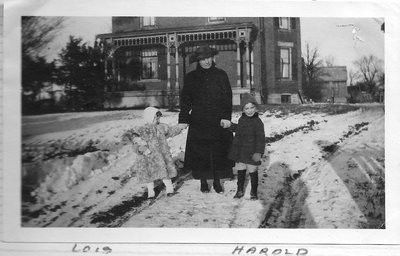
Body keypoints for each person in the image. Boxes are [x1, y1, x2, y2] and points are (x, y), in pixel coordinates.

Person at [178, 45, 234, 194]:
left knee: (217, 152)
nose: (207, 62)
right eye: (203, 59)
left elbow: (227, 98)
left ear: (213, 58)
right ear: (198, 60)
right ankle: (203, 181)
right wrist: (184, 118)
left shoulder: (221, 75)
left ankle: (216, 181)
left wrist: (226, 118)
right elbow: (185, 100)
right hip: (199, 121)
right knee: (201, 153)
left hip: (217, 120)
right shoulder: (191, 77)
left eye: (209, 58)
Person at [122, 107, 182, 198]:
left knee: (165, 172)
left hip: (162, 155)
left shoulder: (161, 127)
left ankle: (169, 188)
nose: (157, 120)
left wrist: (181, 127)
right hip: (148, 156)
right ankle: (151, 190)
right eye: (155, 118)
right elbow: (132, 138)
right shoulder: (141, 130)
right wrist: (139, 146)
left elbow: (171, 130)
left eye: (158, 118)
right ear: (149, 118)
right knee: (149, 174)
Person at [227, 93, 265, 200]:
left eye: (252, 107)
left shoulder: (258, 122)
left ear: (256, 108)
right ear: (243, 110)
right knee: (241, 171)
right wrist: (230, 126)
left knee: (252, 171)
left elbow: (261, 139)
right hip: (241, 151)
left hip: (252, 152)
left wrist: (259, 152)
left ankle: (253, 191)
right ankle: (239, 190)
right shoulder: (241, 119)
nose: (250, 110)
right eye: (247, 108)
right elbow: (238, 129)